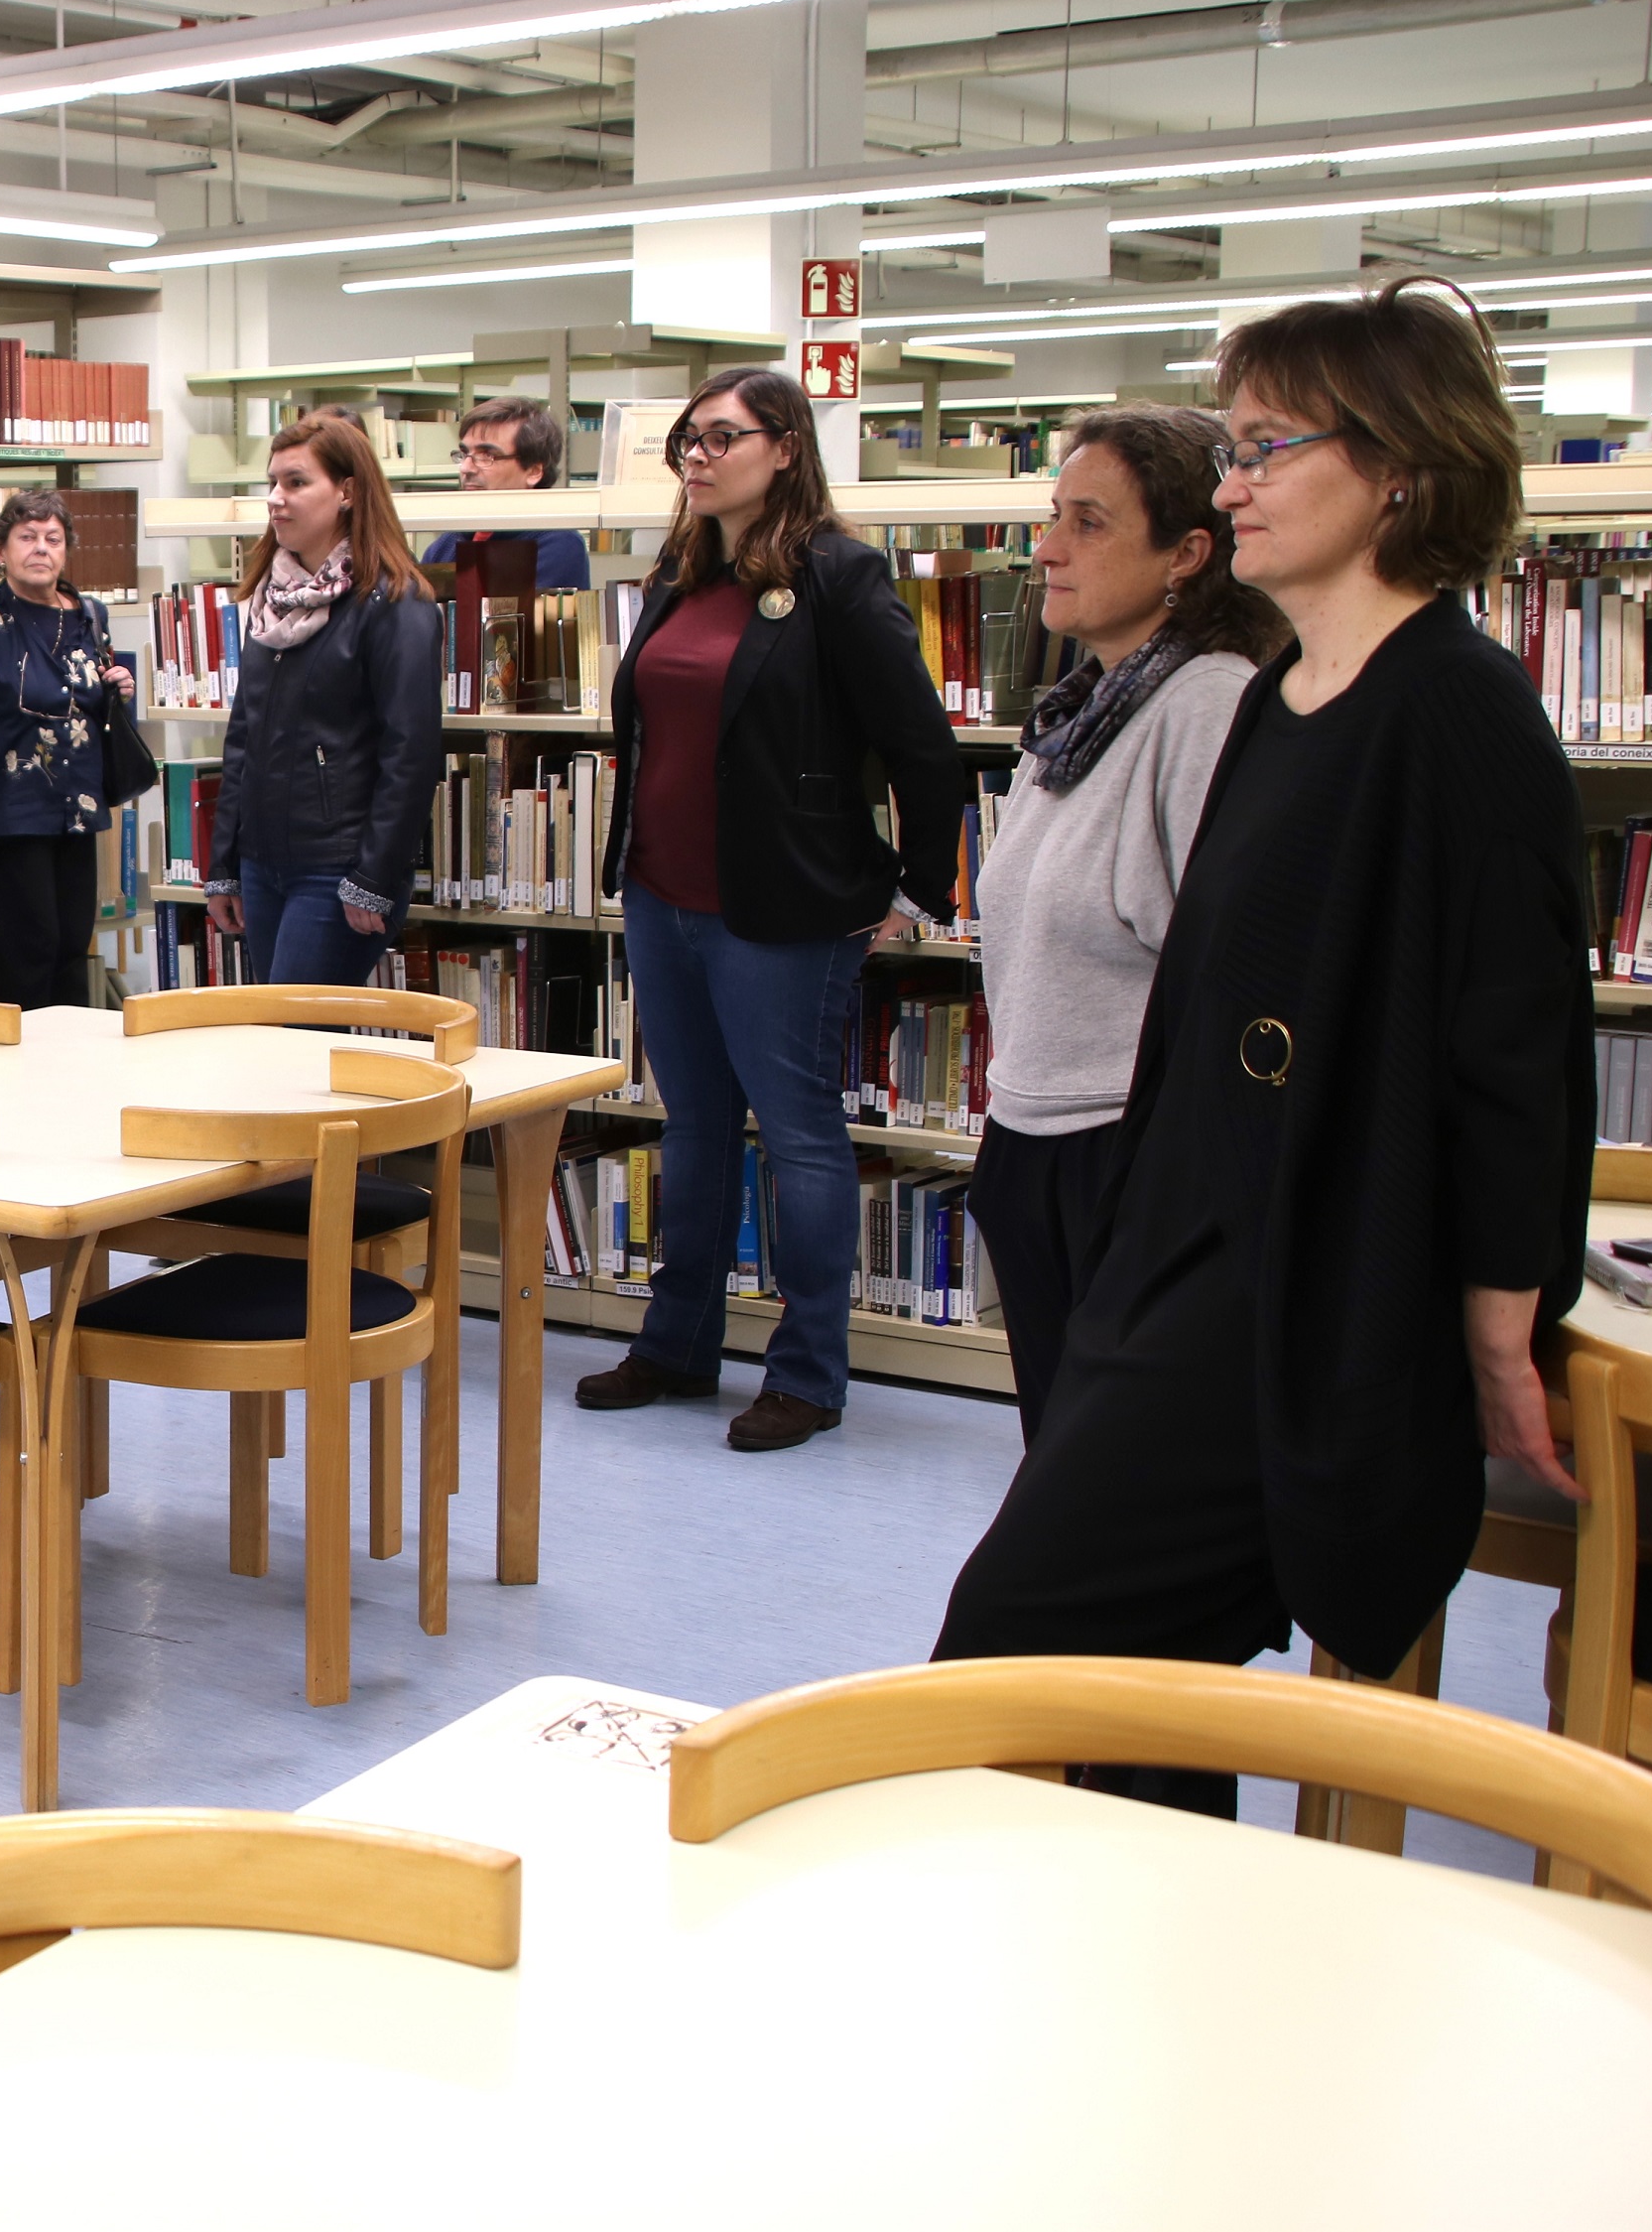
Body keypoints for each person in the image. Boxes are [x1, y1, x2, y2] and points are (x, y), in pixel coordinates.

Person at [936, 282, 1593, 1816]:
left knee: (1010, 1651)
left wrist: (1501, 1329)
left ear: (1400, 469)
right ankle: (1151, 1938)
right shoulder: (1288, 698)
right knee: (1137, 1689)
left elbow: (1516, 1052)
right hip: (1176, 1252)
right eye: (1229, 450)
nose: (1230, 485)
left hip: (1300, 1286)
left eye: (1266, 448)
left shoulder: (1462, 716)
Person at [574, 364, 967, 1453]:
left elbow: (923, 748)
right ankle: (677, 1346)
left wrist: (915, 890)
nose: (697, 458)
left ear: (786, 448)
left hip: (782, 907)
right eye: (687, 442)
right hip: (661, 893)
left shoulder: (838, 575)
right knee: (691, 1127)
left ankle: (807, 1375)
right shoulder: (678, 571)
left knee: (798, 1136)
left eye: (722, 438)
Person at [969, 406, 1283, 1438]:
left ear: (1187, 554)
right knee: (1059, 1450)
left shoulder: (1206, 705)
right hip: (1032, 1138)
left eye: (1089, 522)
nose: (1047, 550)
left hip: (1125, 1157)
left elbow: (1229, 972)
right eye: (1054, 515)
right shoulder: (1080, 711)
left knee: (1114, 1472)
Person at [203, 412, 443, 986]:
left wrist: (374, 875)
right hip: (262, 863)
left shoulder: (395, 603)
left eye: (296, 482)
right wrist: (225, 865)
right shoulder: (270, 602)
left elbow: (410, 754)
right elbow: (243, 740)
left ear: (347, 492)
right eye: (272, 483)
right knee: (277, 1029)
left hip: (338, 867)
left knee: (294, 1029)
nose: (275, 498)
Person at [0, 485, 136, 1009]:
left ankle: (72, 1056)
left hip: (77, 808)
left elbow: (90, 708)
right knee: (31, 950)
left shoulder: (91, 616)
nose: (41, 548)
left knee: (72, 947)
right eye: (27, 537)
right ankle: (30, 1056)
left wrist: (120, 691)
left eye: (53, 538)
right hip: (7, 812)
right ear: (0, 551)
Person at [419, 395, 591, 588]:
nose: (466, 468)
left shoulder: (558, 543)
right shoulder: (447, 544)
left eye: (487, 455)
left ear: (533, 471)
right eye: (465, 453)